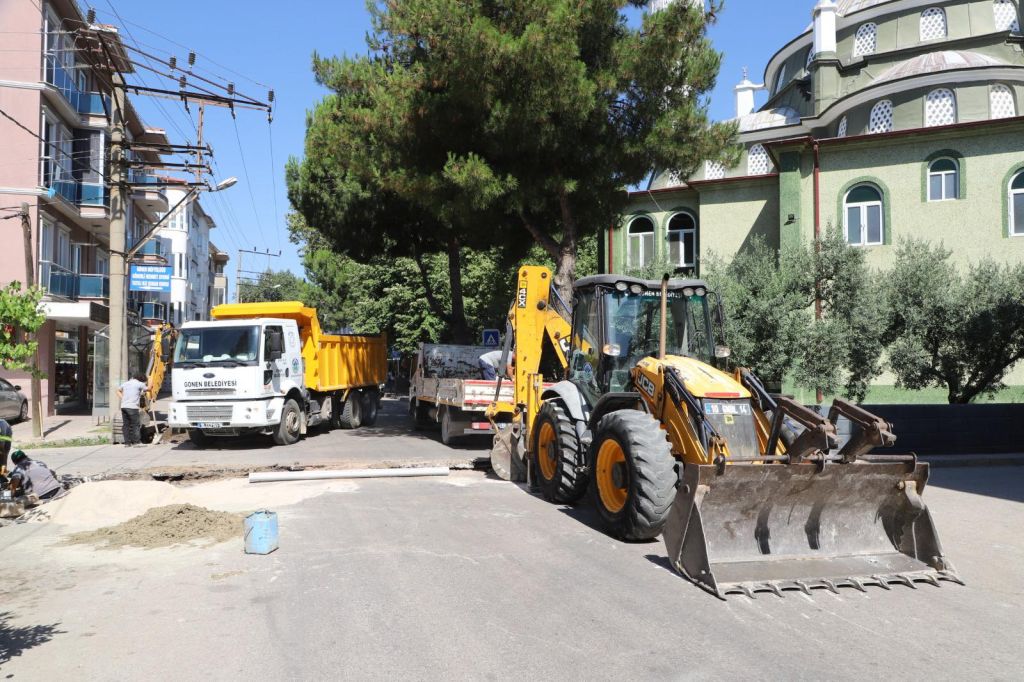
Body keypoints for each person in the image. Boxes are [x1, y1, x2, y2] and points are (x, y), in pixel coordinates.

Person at [117, 373, 148, 447]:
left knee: (126, 425)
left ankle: (127, 443)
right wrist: (151, 381)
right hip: (132, 407)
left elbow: (118, 391)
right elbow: (148, 389)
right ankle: (136, 442)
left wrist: (123, 398)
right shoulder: (139, 384)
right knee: (135, 425)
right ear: (141, 379)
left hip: (124, 406)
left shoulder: (126, 383)